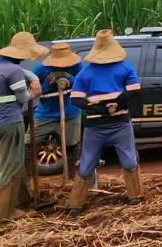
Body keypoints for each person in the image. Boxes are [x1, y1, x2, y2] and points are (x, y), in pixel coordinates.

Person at [65, 30, 144, 213]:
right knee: (129, 159)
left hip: (95, 125)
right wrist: (116, 102)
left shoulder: (85, 73)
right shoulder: (125, 68)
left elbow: (76, 99)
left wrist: (95, 107)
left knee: (87, 162)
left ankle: (75, 204)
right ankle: (135, 196)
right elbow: (135, 91)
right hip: (120, 123)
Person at [0, 32, 47, 221]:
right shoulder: (14, 72)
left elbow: (21, 73)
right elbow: (24, 98)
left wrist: (33, 77)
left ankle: (23, 198)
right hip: (10, 122)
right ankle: (5, 214)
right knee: (10, 167)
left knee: (13, 160)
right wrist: (34, 92)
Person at [28, 42, 83, 180]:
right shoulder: (40, 69)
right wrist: (47, 84)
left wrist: (69, 79)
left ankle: (71, 178)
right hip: (45, 114)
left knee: (73, 145)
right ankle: (27, 178)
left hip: (70, 112)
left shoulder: (76, 66)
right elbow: (31, 90)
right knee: (28, 145)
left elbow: (84, 82)